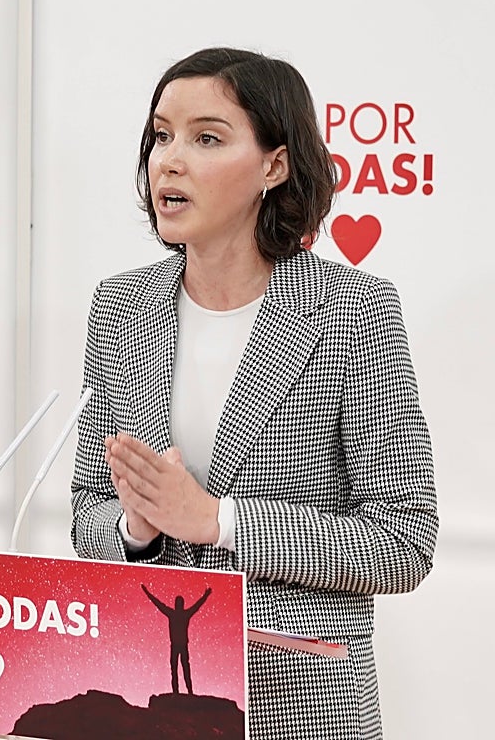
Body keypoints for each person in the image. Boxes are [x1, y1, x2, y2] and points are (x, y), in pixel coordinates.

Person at [70, 48, 438, 739]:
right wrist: (136, 531)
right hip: (147, 703)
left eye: (206, 137)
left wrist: (220, 522)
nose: (168, 161)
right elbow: (89, 506)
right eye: (161, 135)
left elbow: (403, 540)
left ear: (274, 164)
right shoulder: (119, 308)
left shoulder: (355, 312)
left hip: (298, 711)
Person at [141, 583, 212, 695]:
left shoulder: (175, 614)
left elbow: (158, 604)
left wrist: (146, 592)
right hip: (178, 645)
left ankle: (182, 692)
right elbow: (197, 605)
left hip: (179, 645)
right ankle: (185, 692)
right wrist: (206, 595)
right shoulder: (182, 614)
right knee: (180, 668)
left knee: (179, 668)